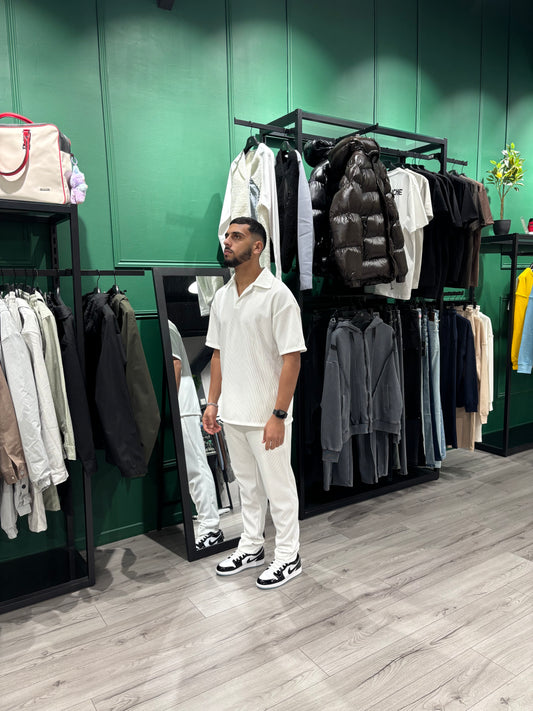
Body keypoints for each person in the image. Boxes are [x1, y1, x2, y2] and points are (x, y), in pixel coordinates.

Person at [202, 216, 306, 590]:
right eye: (227, 236)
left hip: (267, 415)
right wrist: (212, 403)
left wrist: (279, 414)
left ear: (257, 246)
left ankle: (289, 556)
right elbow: (217, 354)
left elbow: (292, 359)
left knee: (279, 488)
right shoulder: (222, 297)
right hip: (233, 412)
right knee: (248, 487)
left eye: (237, 236)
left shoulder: (278, 295)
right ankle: (251, 547)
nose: (227, 242)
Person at [168, 320, 223, 550]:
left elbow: (175, 364)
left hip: (182, 407)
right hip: (179, 407)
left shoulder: (168, 326)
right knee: (193, 468)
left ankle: (211, 529)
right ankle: (208, 524)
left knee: (196, 468)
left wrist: (172, 405)